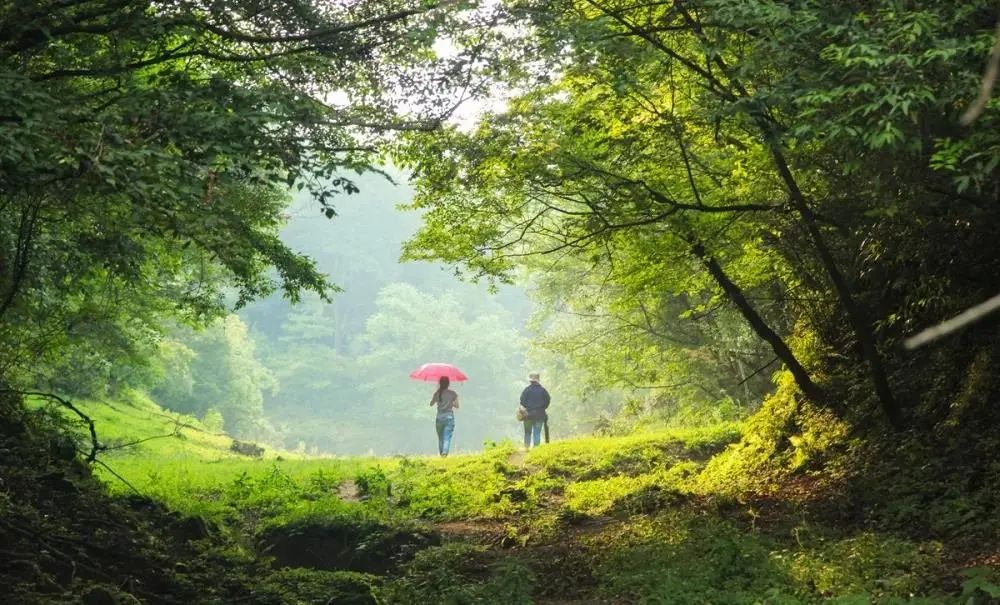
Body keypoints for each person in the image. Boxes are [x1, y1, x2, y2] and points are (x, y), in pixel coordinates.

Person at [519, 372, 550, 449]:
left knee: (527, 432)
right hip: (540, 415)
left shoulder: (526, 390)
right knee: (537, 432)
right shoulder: (543, 391)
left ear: (530, 381)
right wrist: (543, 408)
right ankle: (536, 449)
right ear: (538, 380)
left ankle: (526, 447)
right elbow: (548, 400)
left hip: (527, 415)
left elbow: (522, 401)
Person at [429, 376, 459, 457]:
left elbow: (431, 404)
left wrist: (435, 395)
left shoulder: (437, 393)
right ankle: (444, 453)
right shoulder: (453, 393)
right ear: (448, 384)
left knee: (441, 437)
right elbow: (457, 405)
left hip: (439, 418)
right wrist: (450, 403)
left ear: (440, 383)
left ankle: (442, 453)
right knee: (447, 436)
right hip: (449, 417)